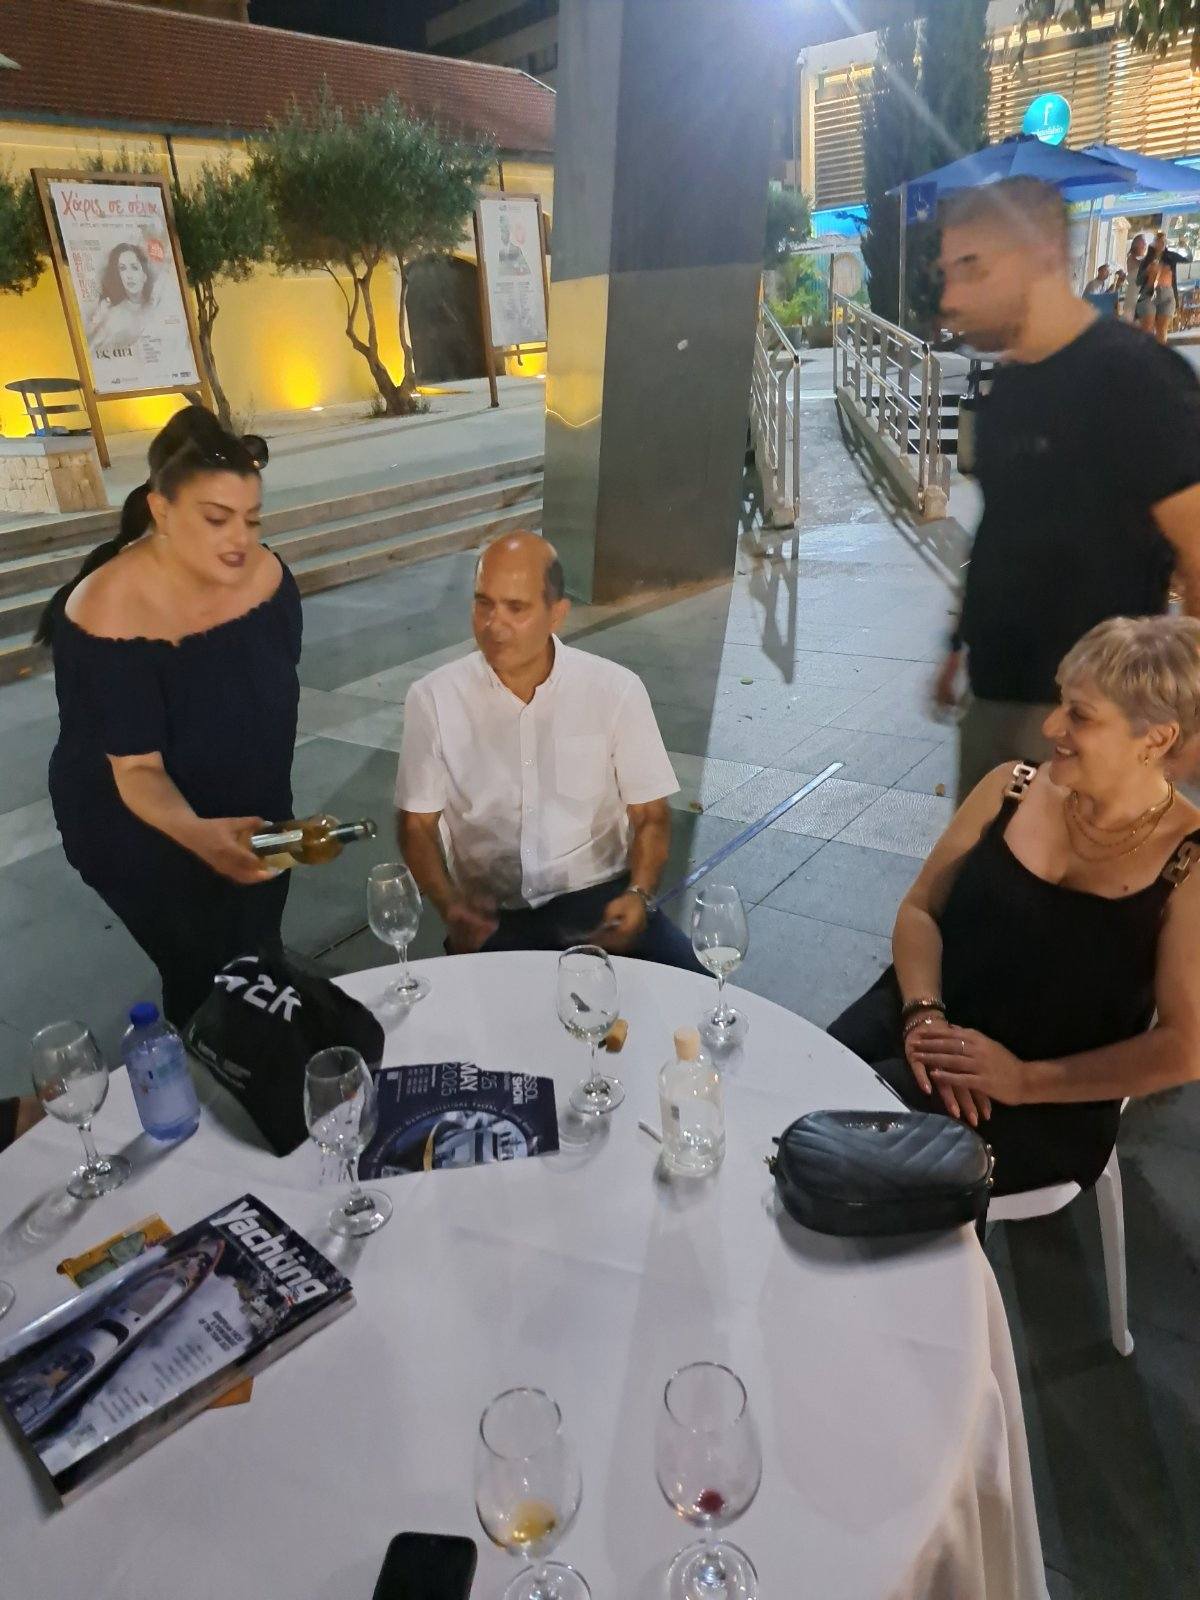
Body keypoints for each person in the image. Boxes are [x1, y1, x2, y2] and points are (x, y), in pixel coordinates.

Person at [830, 616, 1200, 1196]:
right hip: (926, 1011)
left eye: (1080, 714)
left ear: (1155, 740)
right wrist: (923, 1012)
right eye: (1060, 701)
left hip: (1045, 1096)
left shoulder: (1188, 863)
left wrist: (1024, 1080)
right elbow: (921, 909)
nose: (1051, 725)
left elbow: (1184, 1048)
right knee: (800, 1087)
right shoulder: (1013, 786)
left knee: (846, 1155)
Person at [933, 177, 1200, 796]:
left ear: (1043, 255)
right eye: (947, 272)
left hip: (1098, 717)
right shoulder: (1009, 387)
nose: (951, 296)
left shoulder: (1139, 379)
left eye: (972, 267)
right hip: (993, 694)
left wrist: (1189, 710)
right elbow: (1000, 526)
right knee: (984, 852)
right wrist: (957, 644)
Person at [37, 406, 299, 1026]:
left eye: (250, 518)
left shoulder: (268, 577)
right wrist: (201, 835)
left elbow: (269, 692)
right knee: (204, 971)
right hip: (135, 829)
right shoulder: (110, 611)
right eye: (215, 518)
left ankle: (270, 1046)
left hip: (248, 801)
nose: (239, 539)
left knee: (259, 952)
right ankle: (207, 1062)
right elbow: (136, 770)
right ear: (161, 510)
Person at [396, 531, 699, 968]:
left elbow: (650, 815)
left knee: (695, 988)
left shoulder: (615, 690)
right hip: (494, 915)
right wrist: (448, 904)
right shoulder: (433, 698)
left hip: (600, 899)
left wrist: (638, 893)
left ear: (557, 614)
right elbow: (416, 825)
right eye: (483, 603)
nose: (493, 624)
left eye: (515, 608)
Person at [85, 242, 156, 349]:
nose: (129, 275)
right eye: (122, 268)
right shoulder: (114, 315)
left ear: (144, 275)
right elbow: (92, 348)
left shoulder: (157, 306)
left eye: (134, 267)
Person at [1124, 232, 1148, 321]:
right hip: (1134, 294)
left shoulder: (1141, 258)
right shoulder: (1133, 257)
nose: (1145, 245)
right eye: (1143, 243)